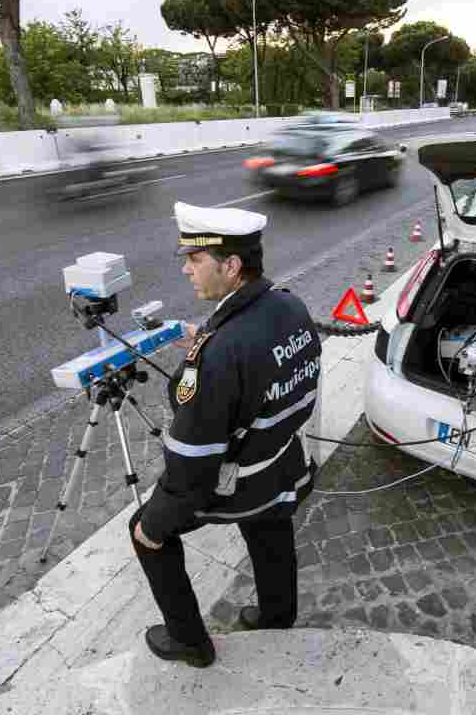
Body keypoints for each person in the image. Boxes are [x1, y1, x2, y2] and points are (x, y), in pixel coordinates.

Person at [130, 201, 323, 667]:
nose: (185, 270)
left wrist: (156, 521)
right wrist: (206, 338)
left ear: (232, 266)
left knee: (141, 532)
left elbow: (193, 459)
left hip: (239, 482)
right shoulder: (289, 305)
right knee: (270, 532)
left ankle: (190, 643)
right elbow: (274, 365)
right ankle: (278, 616)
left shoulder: (219, 355)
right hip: (283, 465)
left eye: (194, 260)